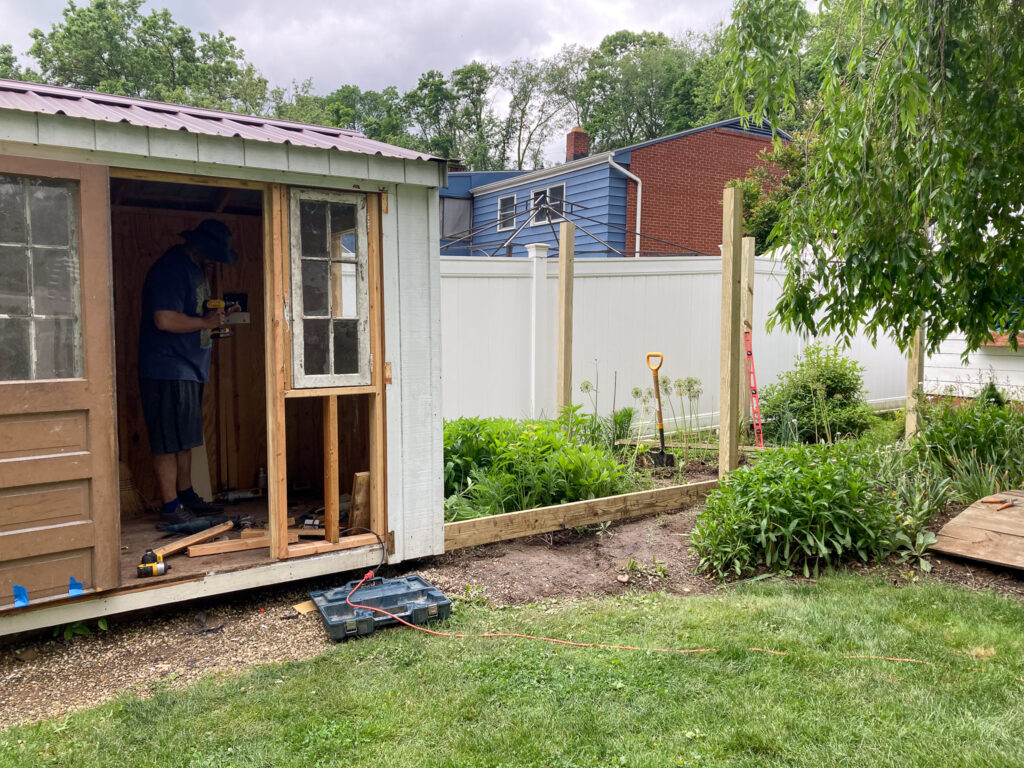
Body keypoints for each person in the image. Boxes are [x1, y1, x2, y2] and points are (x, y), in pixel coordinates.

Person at [139, 219, 240, 525]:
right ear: (198, 245)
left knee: (185, 438)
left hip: (189, 367)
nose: (214, 261)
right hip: (167, 366)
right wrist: (205, 323)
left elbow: (194, 314)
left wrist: (216, 317)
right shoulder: (171, 268)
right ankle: (170, 507)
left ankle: (185, 496)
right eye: (212, 254)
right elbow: (164, 319)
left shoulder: (196, 269)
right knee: (168, 440)